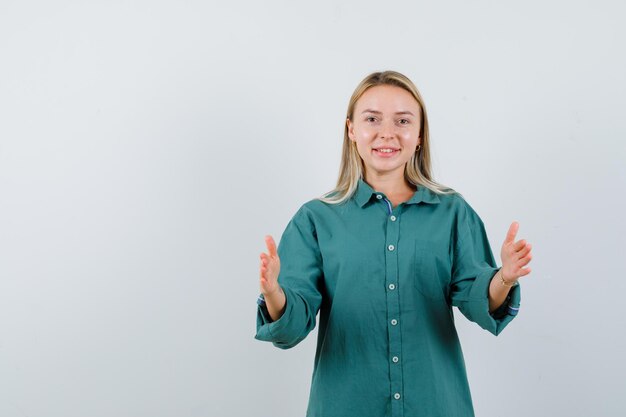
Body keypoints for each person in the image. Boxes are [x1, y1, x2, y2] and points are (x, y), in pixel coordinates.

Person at [254, 70, 533, 417]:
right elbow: (291, 326)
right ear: (352, 130)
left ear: (419, 135)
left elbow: (478, 300)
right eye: (372, 119)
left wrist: (504, 277)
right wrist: (273, 294)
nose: (387, 133)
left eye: (402, 121)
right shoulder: (315, 219)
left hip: (435, 405)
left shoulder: (452, 213)